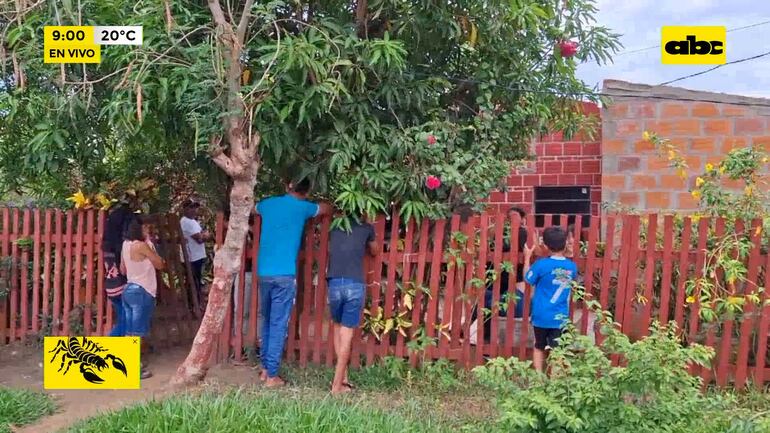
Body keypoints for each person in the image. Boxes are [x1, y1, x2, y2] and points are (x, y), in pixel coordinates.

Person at [255, 178, 331, 387]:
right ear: (307, 190)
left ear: (287, 186)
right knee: (278, 324)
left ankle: (265, 369)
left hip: (264, 273)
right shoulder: (304, 208)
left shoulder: (268, 204)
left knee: (268, 321)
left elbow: (251, 208)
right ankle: (272, 376)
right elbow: (326, 209)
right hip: (285, 275)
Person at [326, 215, 377, 395]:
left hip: (334, 282)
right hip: (354, 283)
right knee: (346, 335)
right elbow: (375, 251)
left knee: (337, 327)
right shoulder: (367, 228)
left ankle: (344, 378)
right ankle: (336, 386)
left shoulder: (335, 227)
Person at [523, 226, 578, 373]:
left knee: (539, 346)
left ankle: (538, 377)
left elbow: (527, 278)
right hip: (560, 316)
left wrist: (527, 257)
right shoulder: (571, 267)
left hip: (541, 314)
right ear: (565, 243)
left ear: (545, 246)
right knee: (557, 350)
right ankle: (554, 379)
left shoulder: (541, 264)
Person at [121, 218, 165, 379]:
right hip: (142, 290)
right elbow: (160, 264)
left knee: (130, 332)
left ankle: (128, 365)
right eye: (146, 227)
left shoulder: (126, 245)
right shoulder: (142, 245)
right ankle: (134, 370)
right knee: (138, 333)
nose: (149, 230)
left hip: (129, 289)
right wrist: (151, 246)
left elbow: (123, 269)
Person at [101, 201, 139, 336]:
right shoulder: (123, 247)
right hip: (122, 286)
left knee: (125, 319)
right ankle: (108, 347)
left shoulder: (107, 245)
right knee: (126, 321)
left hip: (111, 285)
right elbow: (124, 269)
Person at [180, 200, 211, 311]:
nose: (194, 210)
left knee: (196, 281)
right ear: (185, 209)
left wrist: (204, 235)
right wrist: (205, 235)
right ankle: (193, 306)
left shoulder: (193, 221)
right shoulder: (186, 222)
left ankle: (195, 305)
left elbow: (202, 235)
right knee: (193, 282)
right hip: (192, 257)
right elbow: (200, 238)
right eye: (191, 207)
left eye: (195, 207)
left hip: (196, 256)